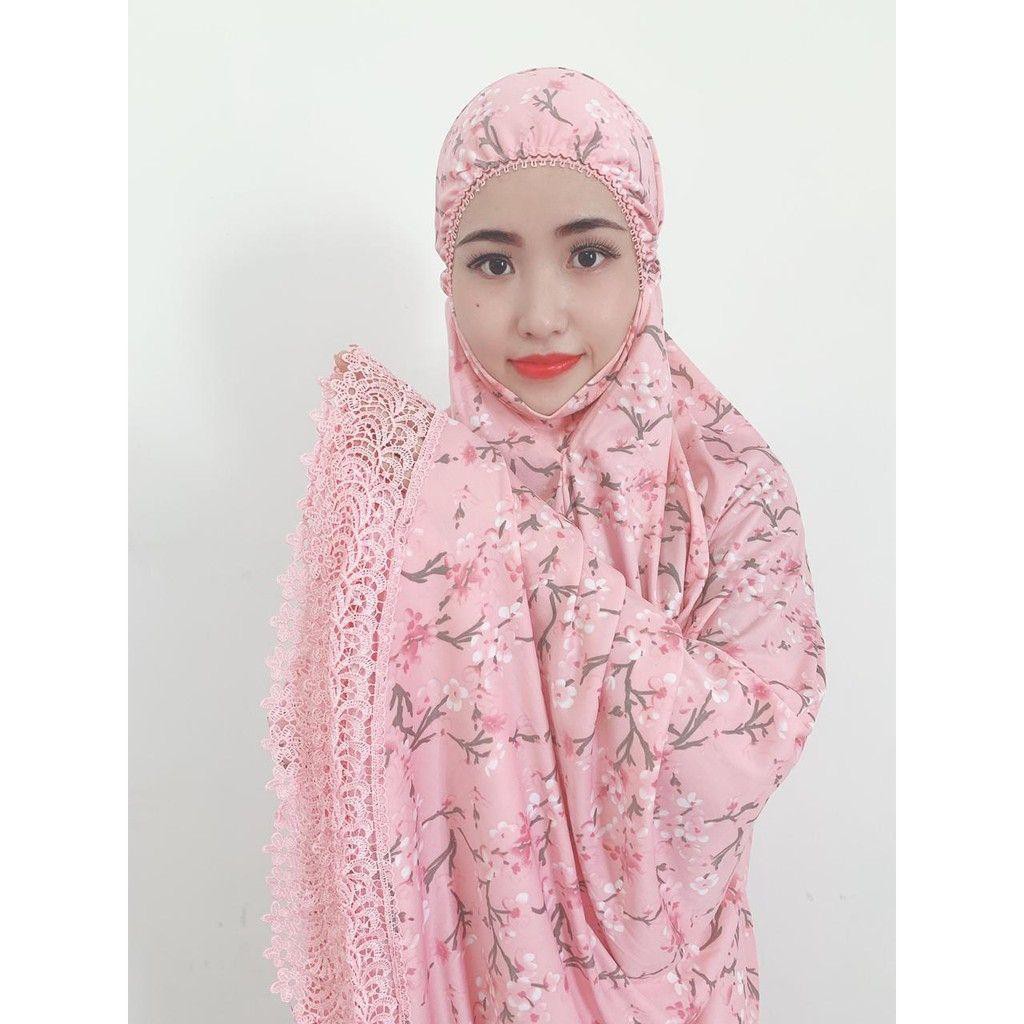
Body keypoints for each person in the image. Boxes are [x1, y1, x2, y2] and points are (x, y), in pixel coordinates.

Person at [264, 66, 828, 1024]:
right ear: (448, 277)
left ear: (647, 261)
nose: (538, 312)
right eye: (493, 264)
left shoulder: (727, 485)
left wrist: (531, 558)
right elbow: (377, 803)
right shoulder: (408, 517)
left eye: (588, 255)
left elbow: (747, 745)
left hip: (676, 988)